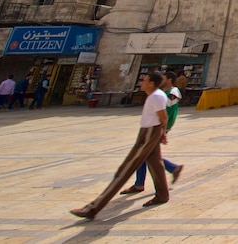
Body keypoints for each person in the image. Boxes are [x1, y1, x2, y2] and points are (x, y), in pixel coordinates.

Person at [70, 72, 170, 219]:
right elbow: (161, 117)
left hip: (149, 133)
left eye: (145, 79)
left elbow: (163, 116)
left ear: (151, 83)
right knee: (156, 164)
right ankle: (162, 195)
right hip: (150, 131)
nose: (142, 81)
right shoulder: (155, 95)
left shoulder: (156, 96)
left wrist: (161, 133)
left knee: (126, 169)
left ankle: (93, 208)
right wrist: (161, 133)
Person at [121, 71, 184, 194]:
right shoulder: (160, 93)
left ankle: (171, 169)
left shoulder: (172, 92)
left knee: (144, 154)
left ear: (169, 79)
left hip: (157, 127)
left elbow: (167, 112)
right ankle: (142, 182)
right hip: (153, 127)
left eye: (164, 78)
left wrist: (163, 129)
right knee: (147, 155)